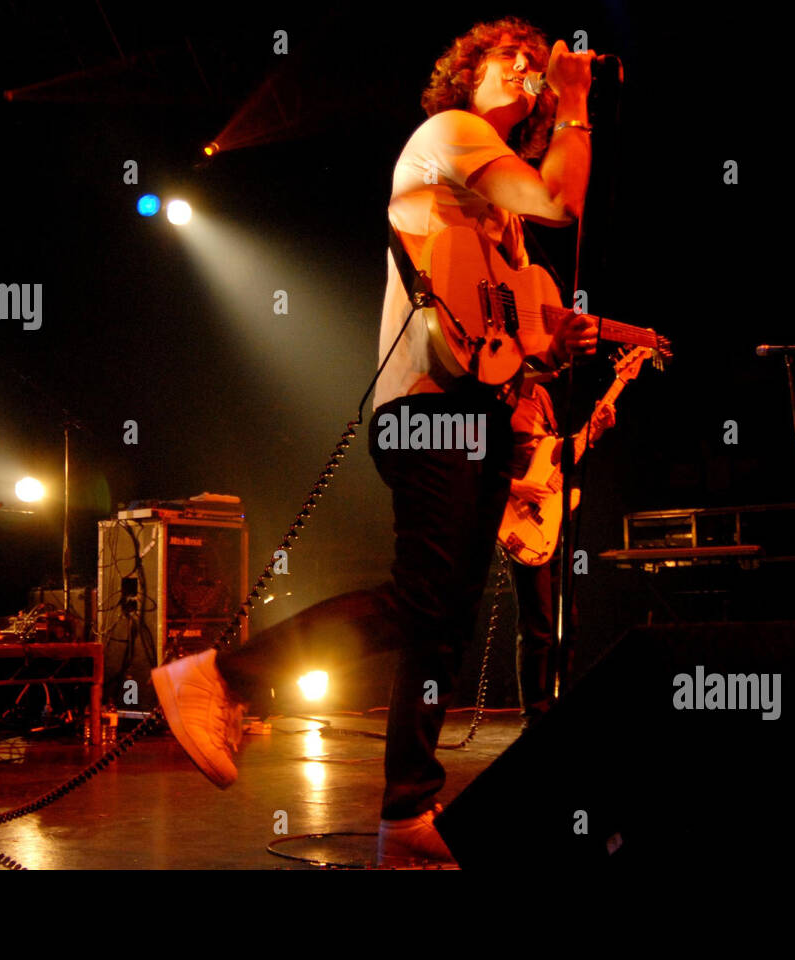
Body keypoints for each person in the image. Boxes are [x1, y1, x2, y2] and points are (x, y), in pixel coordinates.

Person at [151, 16, 599, 867]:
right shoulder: (451, 134)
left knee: (441, 628)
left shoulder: (498, 228)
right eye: (507, 56)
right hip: (425, 409)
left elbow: (505, 336)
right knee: (424, 601)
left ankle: (406, 815)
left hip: (477, 413)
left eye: (534, 64)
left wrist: (556, 344)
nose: (523, 67)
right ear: (467, 73)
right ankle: (220, 675)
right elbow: (561, 198)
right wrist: (575, 107)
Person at [506, 377, 614, 728]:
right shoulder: (497, 395)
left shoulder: (540, 396)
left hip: (551, 516)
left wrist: (593, 431)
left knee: (568, 619)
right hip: (517, 518)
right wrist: (518, 486)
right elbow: (472, 460)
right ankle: (535, 715)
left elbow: (555, 452)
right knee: (538, 623)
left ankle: (560, 703)